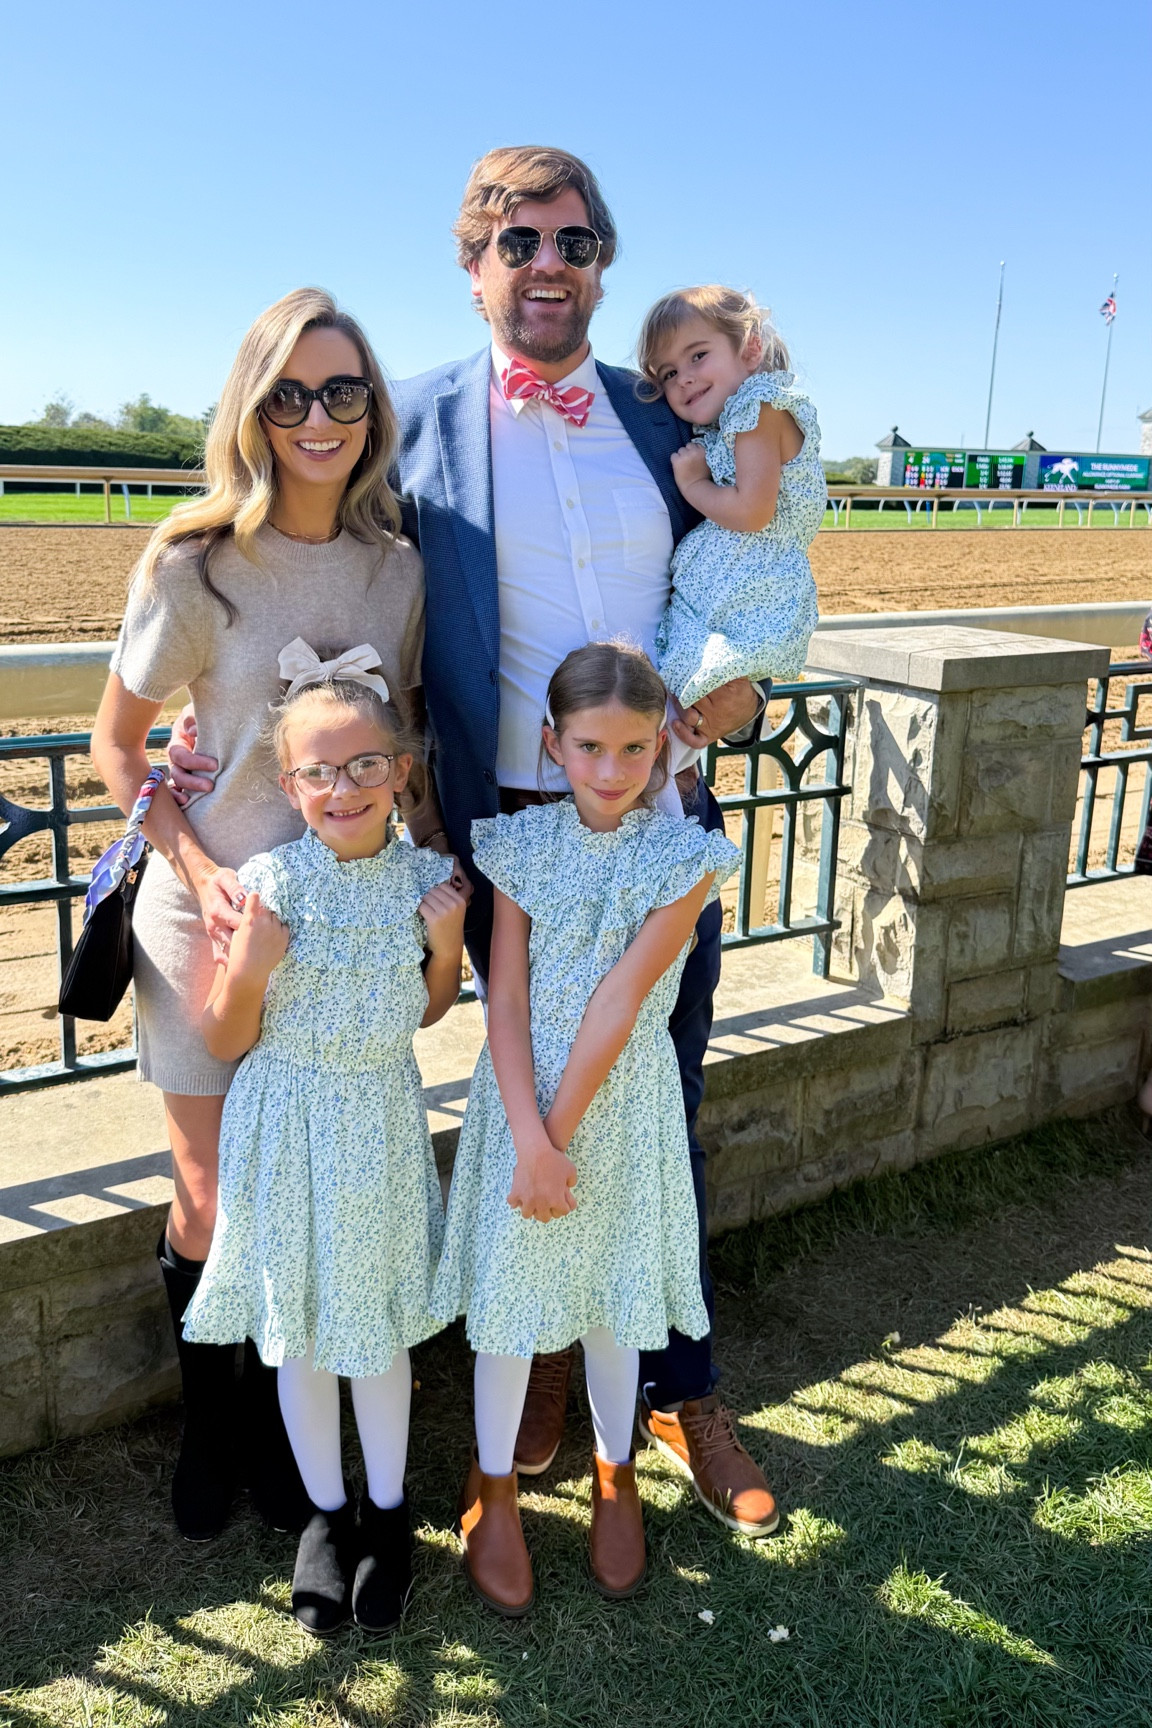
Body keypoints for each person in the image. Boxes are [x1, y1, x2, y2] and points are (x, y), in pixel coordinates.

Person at [172, 146, 782, 1537]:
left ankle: (682, 1390)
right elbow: (307, 523)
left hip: (660, 818)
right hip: (509, 830)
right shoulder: (422, 424)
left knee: (656, 1109)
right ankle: (541, 1376)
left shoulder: (660, 411)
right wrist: (197, 703)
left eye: (573, 241)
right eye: (519, 244)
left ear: (601, 261)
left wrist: (745, 676)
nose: (548, 265)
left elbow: (753, 557)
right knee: (521, 1108)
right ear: (475, 265)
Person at [91, 288, 446, 1543]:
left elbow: (405, 734)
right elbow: (118, 747)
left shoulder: (399, 567)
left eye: (341, 391)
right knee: (213, 1191)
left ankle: (317, 1454)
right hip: (215, 921)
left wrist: (433, 878)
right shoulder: (194, 567)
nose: (316, 417)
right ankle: (219, 1426)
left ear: (372, 410)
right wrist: (193, 870)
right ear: (252, 410)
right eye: (287, 394)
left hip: (344, 935)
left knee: (323, 1189)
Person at [431, 643, 740, 1614]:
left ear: (663, 747)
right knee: (511, 1307)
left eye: (635, 750)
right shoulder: (518, 846)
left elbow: (620, 1002)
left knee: (612, 1300)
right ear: (552, 744)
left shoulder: (685, 857)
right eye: (592, 747)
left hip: (622, 1105)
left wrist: (555, 1141)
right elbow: (507, 996)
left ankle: (616, 1471)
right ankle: (495, 1488)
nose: (612, 772)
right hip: (521, 1108)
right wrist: (528, 1138)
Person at [182, 659, 466, 1633]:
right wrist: (252, 966)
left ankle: (389, 1514)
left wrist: (453, 941)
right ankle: (326, 1515)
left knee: (374, 1328)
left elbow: (427, 1014)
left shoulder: (428, 882)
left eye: (364, 767)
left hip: (378, 1118)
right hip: (284, 1124)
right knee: (301, 1327)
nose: (341, 789)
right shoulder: (266, 885)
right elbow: (224, 1039)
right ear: (289, 783)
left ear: (402, 770)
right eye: (318, 773)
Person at [636, 285, 825, 709]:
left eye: (698, 355)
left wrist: (692, 484)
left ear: (750, 349)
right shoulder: (730, 422)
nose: (683, 376)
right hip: (742, 578)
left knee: (697, 691)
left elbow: (752, 512)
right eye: (667, 373)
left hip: (753, 583)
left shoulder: (759, 410)